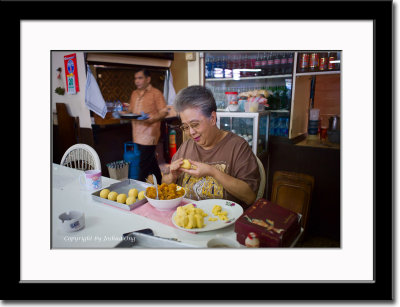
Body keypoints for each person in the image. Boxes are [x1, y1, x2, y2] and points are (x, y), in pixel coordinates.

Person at [162, 85, 260, 208]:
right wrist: (172, 176)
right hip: (188, 218)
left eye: (195, 124)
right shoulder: (186, 147)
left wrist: (213, 172)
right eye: (186, 127)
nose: (191, 132)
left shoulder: (238, 147)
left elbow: (250, 196)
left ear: (212, 119)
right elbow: (164, 184)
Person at [124, 69, 168, 183]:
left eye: (140, 78)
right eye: (135, 78)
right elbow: (131, 111)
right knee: (151, 161)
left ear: (148, 79)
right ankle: (159, 182)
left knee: (143, 163)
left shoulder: (156, 93)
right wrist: (123, 112)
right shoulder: (134, 93)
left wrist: (152, 119)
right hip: (137, 133)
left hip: (150, 133)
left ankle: (140, 188)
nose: (137, 81)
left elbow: (164, 112)